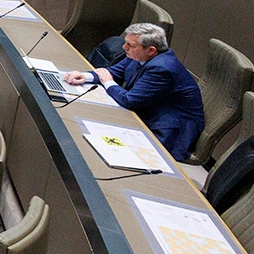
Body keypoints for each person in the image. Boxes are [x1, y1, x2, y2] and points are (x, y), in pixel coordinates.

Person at [63, 23, 204, 160]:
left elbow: (129, 100)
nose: (124, 47)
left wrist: (108, 82)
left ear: (151, 50)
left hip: (168, 131)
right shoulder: (140, 55)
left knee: (99, 142)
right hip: (147, 113)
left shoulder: (162, 69)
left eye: (130, 45)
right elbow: (113, 72)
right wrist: (85, 76)